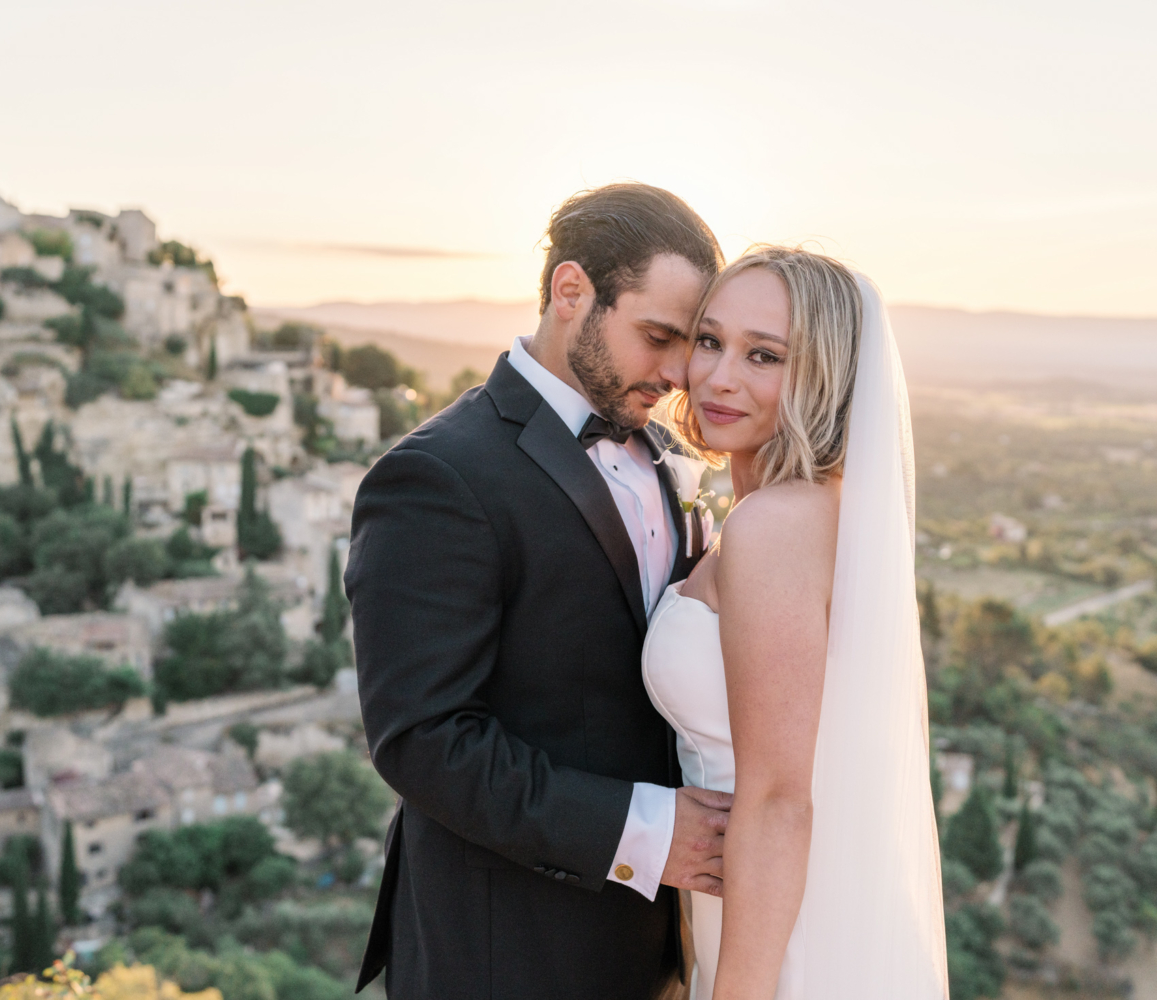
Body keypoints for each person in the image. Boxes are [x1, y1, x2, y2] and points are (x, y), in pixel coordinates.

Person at [345, 183, 735, 998]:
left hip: (654, 946)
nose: (674, 375)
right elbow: (422, 739)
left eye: (688, 345)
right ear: (571, 292)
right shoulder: (436, 475)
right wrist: (649, 833)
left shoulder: (663, 454)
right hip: (505, 952)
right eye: (656, 337)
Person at [643, 246, 948, 998]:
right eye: (709, 341)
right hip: (765, 914)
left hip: (786, 944)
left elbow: (779, 800)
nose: (718, 376)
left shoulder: (777, 526)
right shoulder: (809, 514)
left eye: (764, 356)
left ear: (824, 378)